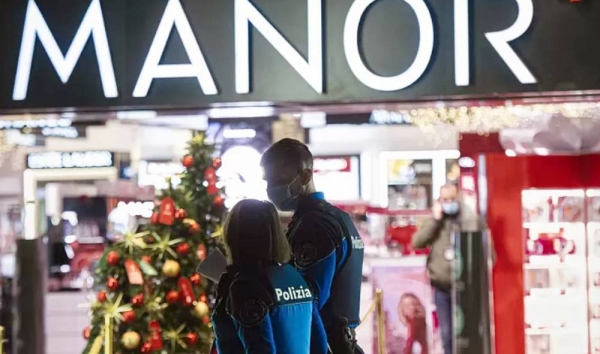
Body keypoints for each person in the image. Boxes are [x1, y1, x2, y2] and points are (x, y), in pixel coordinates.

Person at [260, 138, 365, 354]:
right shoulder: (338, 218)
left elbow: (307, 298)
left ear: (306, 176)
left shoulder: (314, 226)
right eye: (268, 181)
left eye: (279, 180)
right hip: (341, 341)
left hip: (322, 342)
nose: (272, 189)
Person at [211, 199, 328, 354]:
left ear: (234, 236)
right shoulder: (296, 278)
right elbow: (320, 346)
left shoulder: (246, 286)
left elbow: (260, 349)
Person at [412, 183, 494, 354]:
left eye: (452, 198)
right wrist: (435, 220)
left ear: (459, 198)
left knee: (470, 334)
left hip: (468, 290)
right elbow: (417, 243)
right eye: (445, 199)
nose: (449, 202)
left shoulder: (473, 219)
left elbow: (489, 255)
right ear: (439, 201)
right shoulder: (433, 222)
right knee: (447, 335)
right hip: (442, 287)